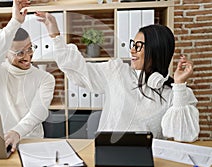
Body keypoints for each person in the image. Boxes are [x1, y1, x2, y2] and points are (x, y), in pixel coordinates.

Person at [35, 12, 199, 142]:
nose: (132, 50)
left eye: (138, 46)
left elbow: (183, 135)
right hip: (109, 153)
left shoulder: (176, 94)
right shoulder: (117, 72)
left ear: (155, 50)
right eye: (132, 44)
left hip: (150, 160)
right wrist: (55, 35)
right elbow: (79, 70)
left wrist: (179, 86)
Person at [0, 0, 55, 152]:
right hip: (1, 142)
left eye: (30, 49)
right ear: (5, 53)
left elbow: (38, 112)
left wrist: (17, 132)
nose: (27, 57)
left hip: (33, 143)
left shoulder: (45, 78)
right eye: (20, 52)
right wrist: (15, 22)